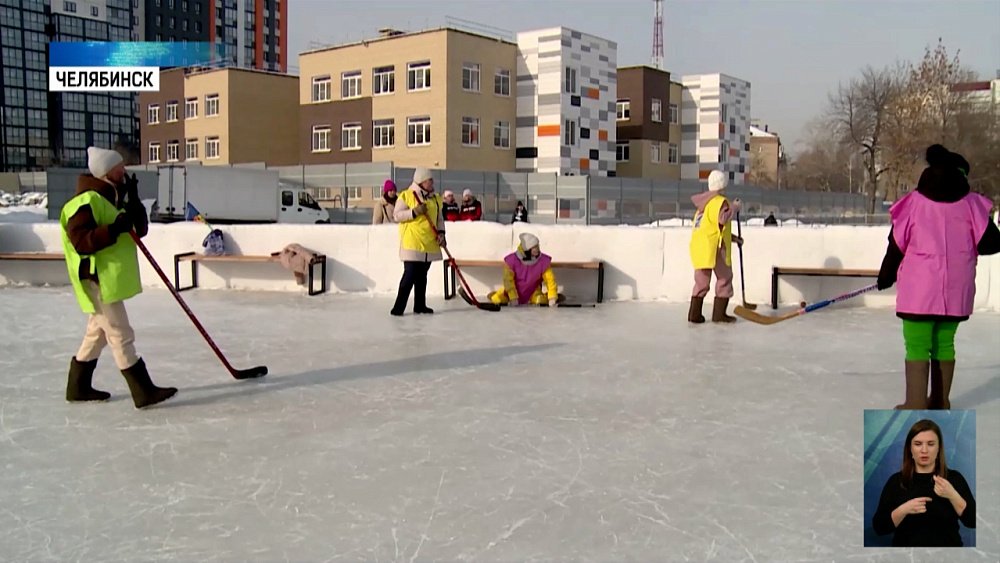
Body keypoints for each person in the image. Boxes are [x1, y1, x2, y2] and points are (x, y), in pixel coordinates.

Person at [877, 145, 1000, 409]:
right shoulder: (971, 205)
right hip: (956, 291)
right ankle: (940, 401)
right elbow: (991, 243)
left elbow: (896, 244)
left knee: (918, 345)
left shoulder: (914, 204)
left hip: (918, 294)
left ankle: (915, 403)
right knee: (944, 343)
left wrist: (886, 275)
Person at [61, 146, 177, 409]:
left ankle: (77, 387)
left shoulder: (112, 197)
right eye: (118, 167)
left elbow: (140, 230)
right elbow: (81, 241)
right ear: (105, 172)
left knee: (98, 333)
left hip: (107, 278)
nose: (123, 170)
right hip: (96, 278)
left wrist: (134, 201)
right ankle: (143, 391)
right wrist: (113, 230)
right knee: (120, 333)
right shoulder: (86, 202)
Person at [872, 419, 976, 547]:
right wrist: (903, 509)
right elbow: (879, 528)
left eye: (931, 444)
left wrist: (953, 495)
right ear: (910, 448)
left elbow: (973, 521)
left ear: (939, 448)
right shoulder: (896, 481)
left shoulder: (954, 478)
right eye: (918, 444)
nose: (924, 450)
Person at [688, 170, 743, 323]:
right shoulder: (720, 201)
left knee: (701, 282)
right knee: (725, 278)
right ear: (722, 185)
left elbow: (714, 228)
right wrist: (734, 208)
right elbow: (722, 219)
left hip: (700, 247)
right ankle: (719, 315)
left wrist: (734, 239)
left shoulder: (702, 206)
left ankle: (694, 314)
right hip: (716, 248)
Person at [390, 167, 446, 316]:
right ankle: (398, 308)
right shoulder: (407, 196)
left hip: (429, 243)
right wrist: (414, 212)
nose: (432, 183)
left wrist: (441, 233)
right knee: (409, 276)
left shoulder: (435, 198)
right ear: (421, 181)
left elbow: (439, 219)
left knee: (422, 276)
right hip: (412, 243)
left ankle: (420, 305)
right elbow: (396, 216)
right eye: (429, 180)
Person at [488, 232, 562, 307]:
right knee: (497, 299)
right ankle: (494, 295)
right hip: (513, 291)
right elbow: (508, 280)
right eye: (534, 247)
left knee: (540, 300)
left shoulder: (543, 261)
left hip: (533, 292)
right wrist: (513, 297)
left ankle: (551, 296)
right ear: (527, 250)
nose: (537, 249)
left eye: (537, 246)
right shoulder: (512, 260)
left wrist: (552, 297)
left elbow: (550, 280)